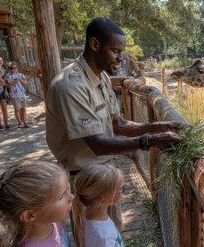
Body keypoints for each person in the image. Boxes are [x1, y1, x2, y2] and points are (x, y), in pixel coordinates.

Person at [45, 17, 182, 231]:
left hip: (105, 171)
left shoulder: (101, 78)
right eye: (116, 51)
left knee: (113, 230)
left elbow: (117, 125)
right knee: (93, 237)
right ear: (95, 45)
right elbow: (97, 144)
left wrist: (159, 126)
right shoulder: (70, 86)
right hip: (83, 178)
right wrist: (151, 141)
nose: (120, 58)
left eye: (121, 52)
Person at [0, 162, 73, 246]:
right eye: (61, 197)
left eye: (67, 189)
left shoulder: (51, 220)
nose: (71, 197)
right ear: (29, 215)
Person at [72, 165, 125, 247]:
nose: (122, 193)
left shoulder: (86, 215)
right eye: (121, 189)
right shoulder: (103, 237)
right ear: (102, 201)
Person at [5, 62, 28, 128]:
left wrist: (21, 80)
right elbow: (8, 86)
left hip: (22, 94)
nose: (14, 69)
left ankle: (25, 122)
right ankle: (20, 123)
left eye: (15, 68)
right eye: (13, 68)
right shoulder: (7, 76)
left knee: (23, 108)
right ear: (10, 69)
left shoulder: (20, 75)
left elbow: (26, 83)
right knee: (17, 109)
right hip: (14, 95)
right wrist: (14, 82)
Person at [0, 57, 9, 130]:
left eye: (1, 62)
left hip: (2, 91)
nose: (0, 63)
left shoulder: (3, 70)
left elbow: (6, 82)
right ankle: (0, 124)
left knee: (4, 108)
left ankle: (6, 124)